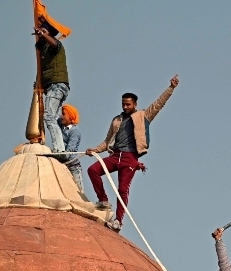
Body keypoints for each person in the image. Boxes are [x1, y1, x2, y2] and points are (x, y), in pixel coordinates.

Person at [85, 75, 180, 232]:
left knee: (122, 189)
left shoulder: (143, 116)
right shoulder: (117, 120)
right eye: (123, 104)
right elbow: (107, 141)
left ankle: (118, 221)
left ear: (135, 104)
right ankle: (103, 200)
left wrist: (171, 88)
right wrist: (95, 150)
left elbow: (158, 105)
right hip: (115, 155)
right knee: (92, 170)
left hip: (130, 158)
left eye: (128, 104)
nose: (125, 107)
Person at [34, 17, 70, 153]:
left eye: (44, 31)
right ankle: (62, 147)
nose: (40, 34)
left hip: (57, 85)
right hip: (52, 87)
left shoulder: (55, 45)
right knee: (54, 119)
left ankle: (60, 150)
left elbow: (54, 44)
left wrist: (42, 33)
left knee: (49, 116)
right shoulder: (44, 51)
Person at [58, 104, 82, 190]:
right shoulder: (61, 126)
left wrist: (60, 155)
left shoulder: (74, 131)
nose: (61, 116)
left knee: (79, 191)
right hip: (62, 163)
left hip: (73, 166)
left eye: (64, 114)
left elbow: (70, 149)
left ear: (70, 116)